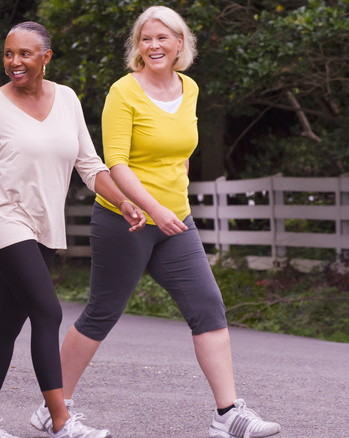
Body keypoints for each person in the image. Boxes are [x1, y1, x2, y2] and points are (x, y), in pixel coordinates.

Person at [27, 6, 282, 438]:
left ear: (180, 43)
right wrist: (153, 209)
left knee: (208, 307)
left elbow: (181, 149)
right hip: (125, 221)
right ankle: (54, 408)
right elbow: (117, 164)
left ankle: (228, 415)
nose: (154, 45)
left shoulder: (191, 88)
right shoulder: (123, 92)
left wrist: (173, 198)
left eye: (163, 37)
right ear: (137, 47)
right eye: (146, 39)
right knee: (102, 312)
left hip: (175, 222)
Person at [0, 21, 146, 438]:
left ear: (46, 56)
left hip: (44, 225)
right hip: (3, 220)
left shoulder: (67, 100)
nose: (14, 62)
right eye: (8, 54)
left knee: (6, 325)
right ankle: (61, 420)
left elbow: (90, 166)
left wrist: (125, 201)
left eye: (24, 54)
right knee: (48, 311)